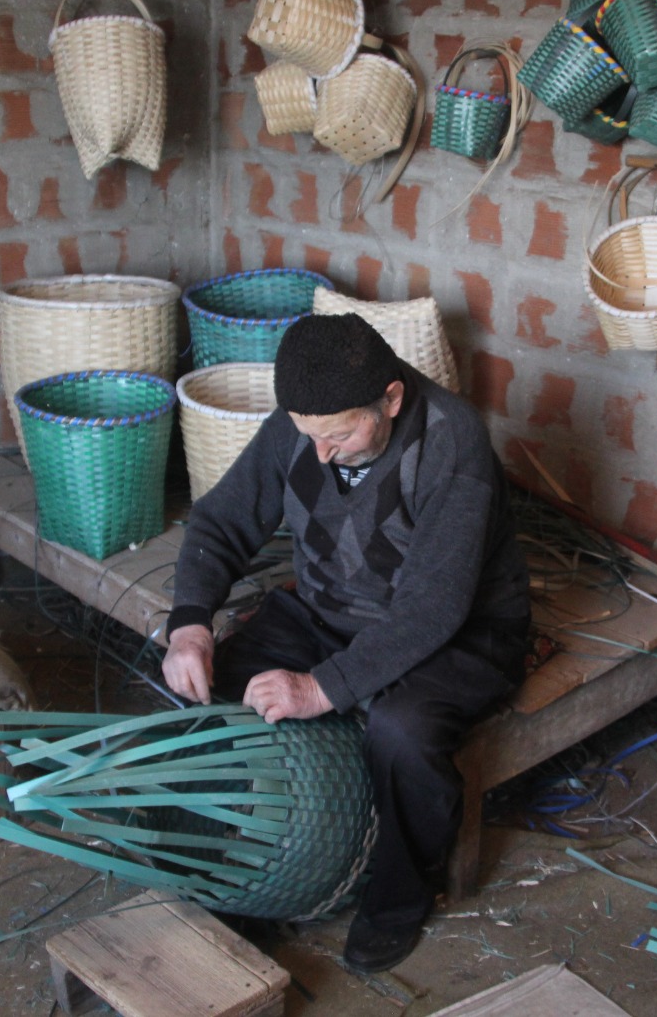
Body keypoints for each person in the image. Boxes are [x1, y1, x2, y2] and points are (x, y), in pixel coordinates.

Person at [161, 312, 531, 972]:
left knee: (401, 731)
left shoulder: (453, 444)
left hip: (462, 633)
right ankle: (250, 866)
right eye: (309, 436)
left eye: (339, 434)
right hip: (333, 613)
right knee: (216, 687)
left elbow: (433, 608)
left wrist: (322, 687)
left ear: (390, 398)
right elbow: (223, 519)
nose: (321, 453)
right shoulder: (305, 421)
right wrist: (189, 623)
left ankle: (399, 897)